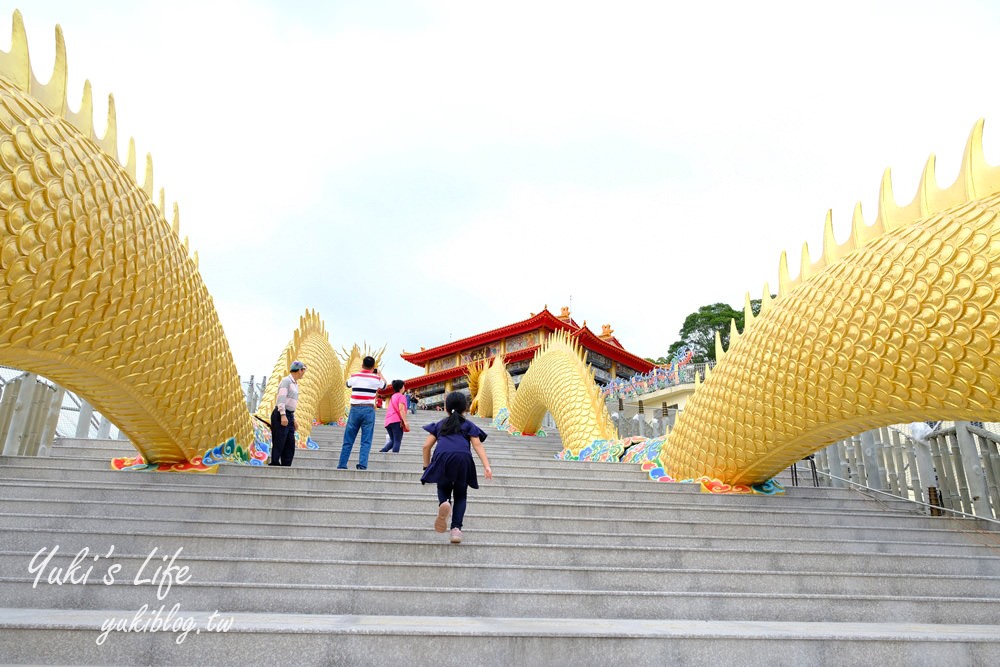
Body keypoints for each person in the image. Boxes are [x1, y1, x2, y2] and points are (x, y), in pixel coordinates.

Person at [421, 391, 492, 544]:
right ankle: (456, 530)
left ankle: (444, 502)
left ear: (446, 408)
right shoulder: (468, 425)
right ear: (465, 408)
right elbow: (477, 444)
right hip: (462, 459)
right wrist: (487, 466)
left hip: (443, 457)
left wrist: (426, 466)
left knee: (443, 486)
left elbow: (426, 446)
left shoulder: (441, 424)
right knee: (460, 495)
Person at [338, 356, 386, 470]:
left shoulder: (355, 376)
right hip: (369, 410)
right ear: (373, 367)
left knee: (348, 439)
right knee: (366, 440)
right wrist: (379, 373)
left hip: (354, 409)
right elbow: (385, 385)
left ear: (362, 365)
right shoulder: (376, 379)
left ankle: (342, 464)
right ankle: (362, 465)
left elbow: (347, 384)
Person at [269, 360, 307, 467]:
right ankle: (275, 463)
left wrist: (293, 419)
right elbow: (281, 399)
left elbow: (290, 404)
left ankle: (286, 465)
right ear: (299, 370)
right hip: (281, 414)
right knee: (279, 441)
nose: (304, 373)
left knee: (290, 443)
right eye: (303, 370)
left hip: (289, 415)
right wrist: (283, 415)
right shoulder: (286, 381)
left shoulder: (295, 384)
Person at [379, 380, 410, 453]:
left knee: (393, 440)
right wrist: (405, 421)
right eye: (403, 386)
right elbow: (401, 409)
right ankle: (395, 457)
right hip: (396, 421)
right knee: (397, 441)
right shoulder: (402, 396)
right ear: (401, 387)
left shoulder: (393, 397)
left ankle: (383, 451)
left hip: (388, 421)